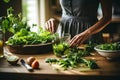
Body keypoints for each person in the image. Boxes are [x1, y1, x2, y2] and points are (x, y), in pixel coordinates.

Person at [45, 0, 112, 47]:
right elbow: (65, 13)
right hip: (65, 34)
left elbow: (107, 17)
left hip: (89, 35)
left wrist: (87, 33)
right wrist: (53, 20)